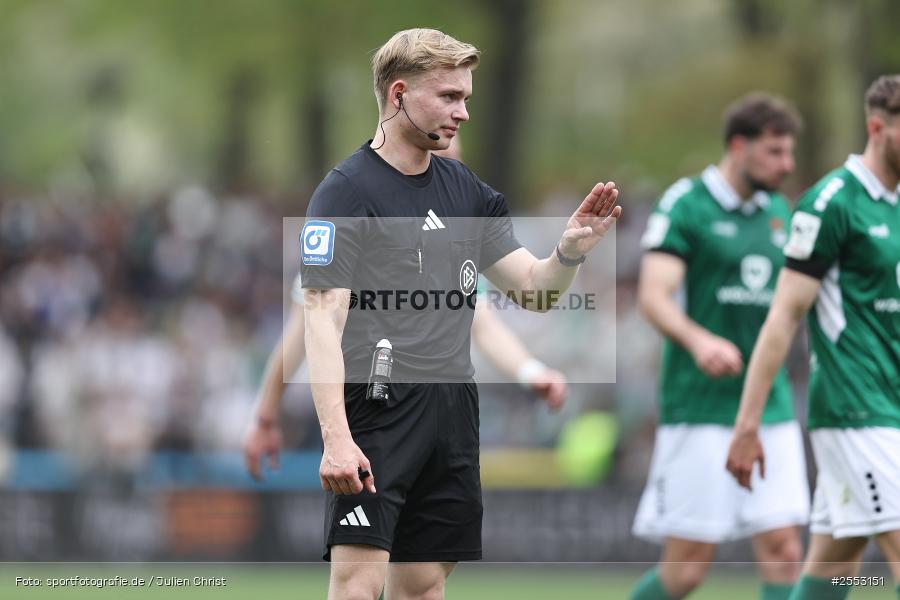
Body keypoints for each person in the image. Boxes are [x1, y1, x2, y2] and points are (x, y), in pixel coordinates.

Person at [296, 28, 619, 600]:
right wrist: (336, 439)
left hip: (452, 412)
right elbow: (322, 320)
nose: (463, 112)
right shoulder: (344, 193)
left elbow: (533, 291)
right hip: (377, 410)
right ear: (398, 95)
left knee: (422, 586)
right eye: (449, 97)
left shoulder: (467, 190)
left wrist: (568, 251)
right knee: (358, 585)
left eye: (465, 97)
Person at [242, 142, 569, 480]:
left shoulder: (454, 249)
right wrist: (265, 417)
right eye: (436, 162)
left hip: (436, 421)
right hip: (368, 415)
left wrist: (531, 372)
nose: (444, 177)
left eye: (453, 165)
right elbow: (301, 336)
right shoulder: (355, 233)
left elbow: (484, 325)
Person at [726, 75, 900, 600]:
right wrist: (748, 423)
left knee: (837, 570)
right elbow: (783, 318)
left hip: (888, 409)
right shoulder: (830, 204)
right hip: (855, 411)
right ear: (877, 128)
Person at [631, 93, 807, 600]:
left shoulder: (779, 211)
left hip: (768, 407)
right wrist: (699, 338)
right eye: (774, 152)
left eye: (788, 152)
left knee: (784, 548)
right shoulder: (687, 203)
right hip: (701, 406)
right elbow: (653, 295)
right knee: (686, 571)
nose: (786, 164)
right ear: (738, 146)